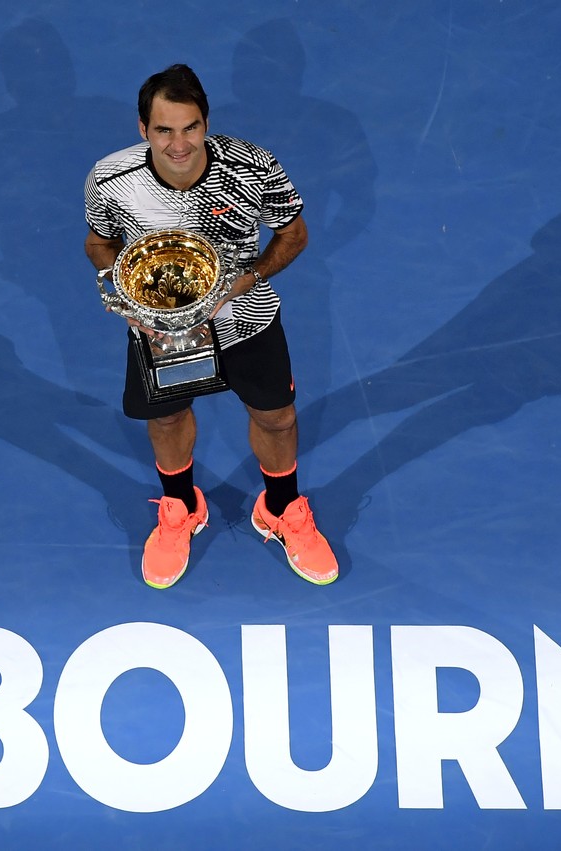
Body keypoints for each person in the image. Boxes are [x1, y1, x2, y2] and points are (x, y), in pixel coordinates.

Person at [84, 63, 338, 589]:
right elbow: (99, 242)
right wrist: (124, 292)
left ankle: (281, 508)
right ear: (142, 129)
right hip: (162, 330)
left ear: (206, 122)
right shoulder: (110, 179)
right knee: (169, 420)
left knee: (277, 419)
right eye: (163, 130)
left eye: (191, 127)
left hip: (247, 319)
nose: (179, 144)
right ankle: (179, 506)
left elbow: (294, 233)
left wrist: (252, 276)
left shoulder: (254, 168)